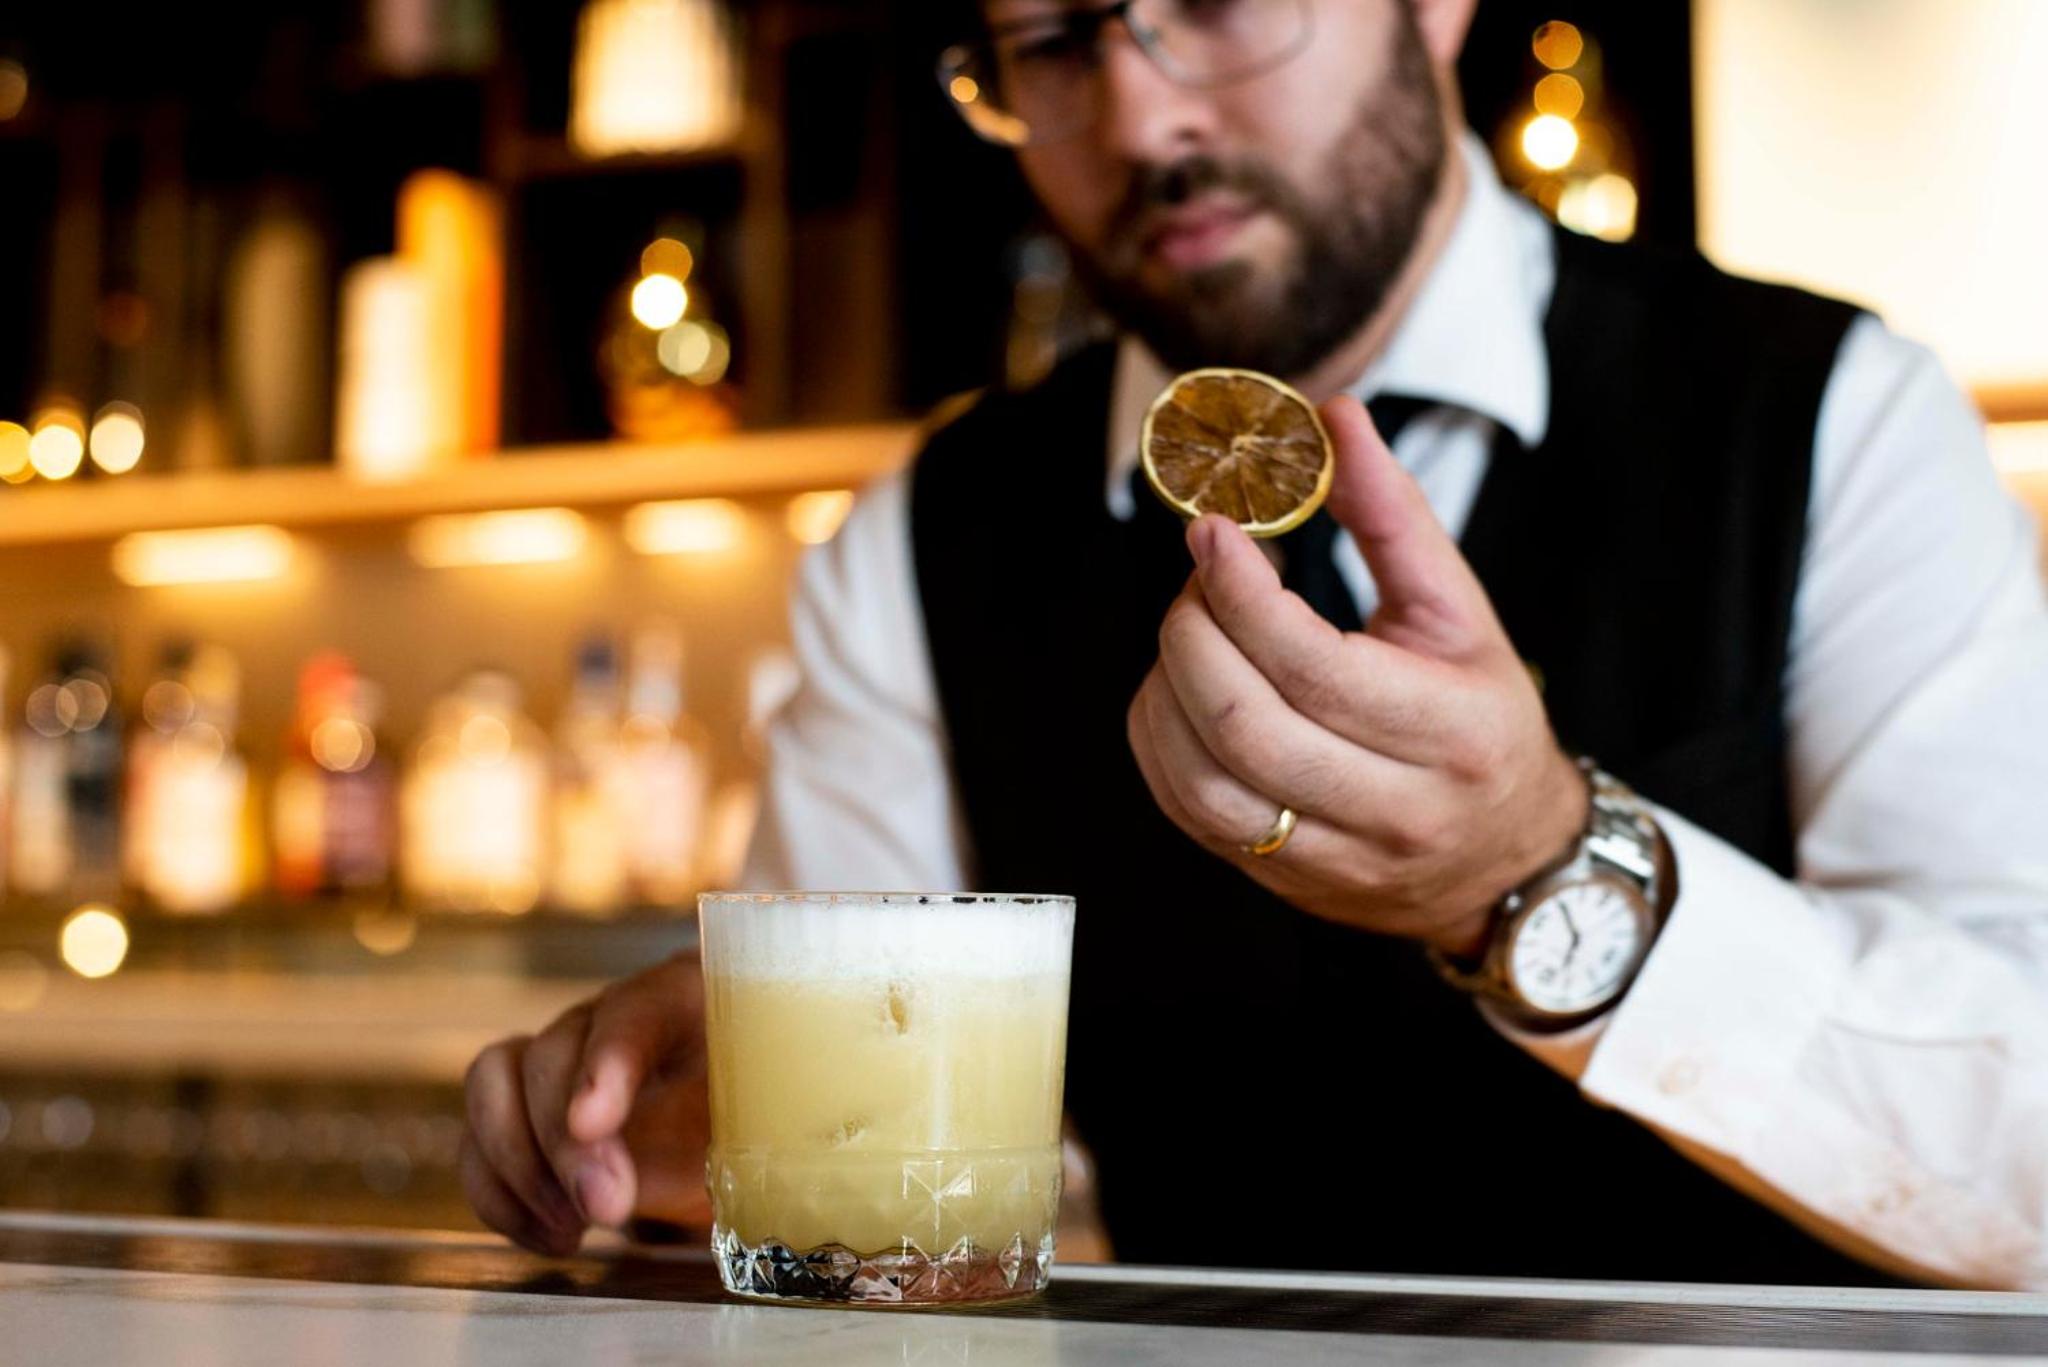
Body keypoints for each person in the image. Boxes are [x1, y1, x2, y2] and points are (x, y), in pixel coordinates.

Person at [460, 0, 2048, 1288]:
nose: (1144, 118)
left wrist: (1540, 869)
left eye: (1217, 5)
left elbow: (2026, 1163)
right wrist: (705, 1130)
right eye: (1054, 43)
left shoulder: (1836, 418)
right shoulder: (924, 535)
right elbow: (860, 1164)